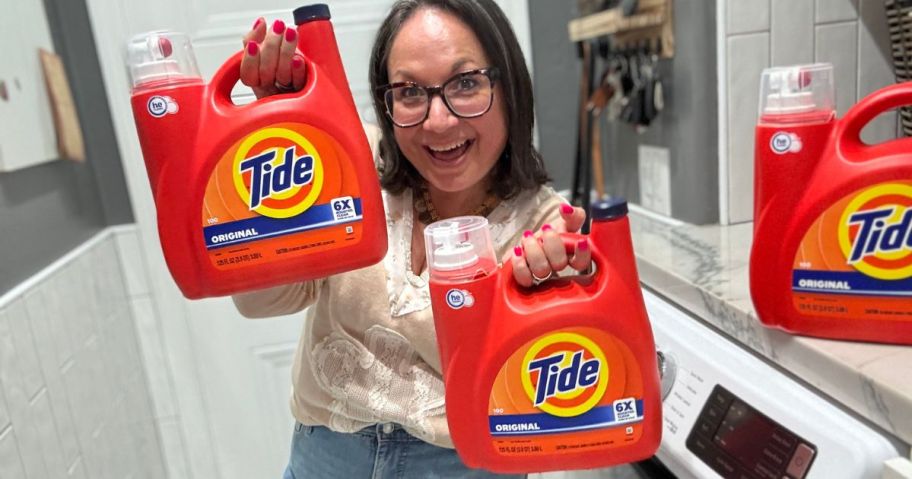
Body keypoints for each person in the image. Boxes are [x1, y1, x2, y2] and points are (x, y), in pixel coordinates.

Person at [234, 1, 592, 477]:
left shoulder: (546, 226)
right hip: (324, 457)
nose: (438, 121)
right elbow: (262, 302)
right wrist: (275, 136)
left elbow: (551, 408)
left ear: (508, 85)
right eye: (409, 93)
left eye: (466, 84)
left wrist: (566, 315)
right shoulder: (346, 164)